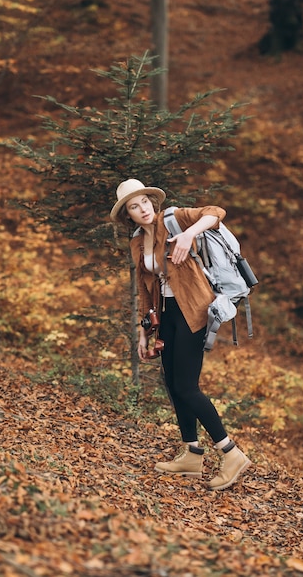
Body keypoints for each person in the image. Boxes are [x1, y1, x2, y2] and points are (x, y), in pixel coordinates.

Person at [110, 179, 251, 490]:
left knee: (187, 387)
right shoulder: (137, 242)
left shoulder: (174, 219)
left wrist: (188, 234)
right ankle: (191, 452)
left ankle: (231, 453)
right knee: (173, 384)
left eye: (145, 201)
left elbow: (215, 212)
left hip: (194, 311)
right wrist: (144, 331)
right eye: (134, 206)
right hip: (167, 315)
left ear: (152, 202)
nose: (142, 209)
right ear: (128, 215)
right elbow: (145, 289)